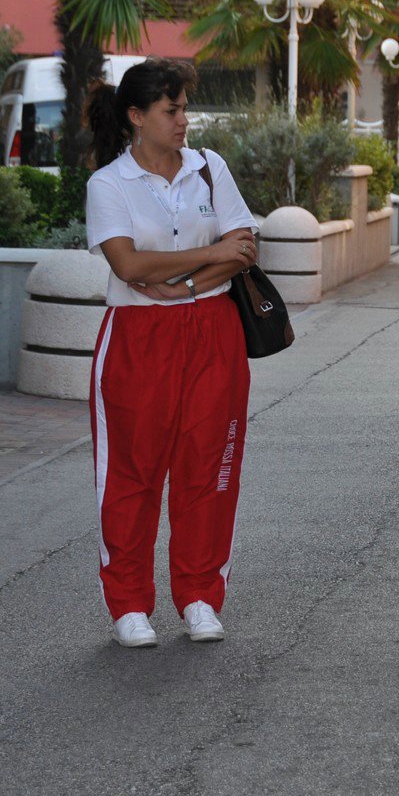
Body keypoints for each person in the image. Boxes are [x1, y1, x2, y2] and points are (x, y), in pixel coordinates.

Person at [85, 59, 261, 649]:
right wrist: (208, 260)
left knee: (209, 466)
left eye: (185, 107)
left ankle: (199, 596)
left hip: (214, 329)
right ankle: (129, 603)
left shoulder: (210, 168)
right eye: (171, 110)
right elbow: (128, 267)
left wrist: (182, 281)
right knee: (133, 473)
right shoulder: (108, 184)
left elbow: (243, 251)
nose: (184, 120)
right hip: (137, 337)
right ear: (137, 117)